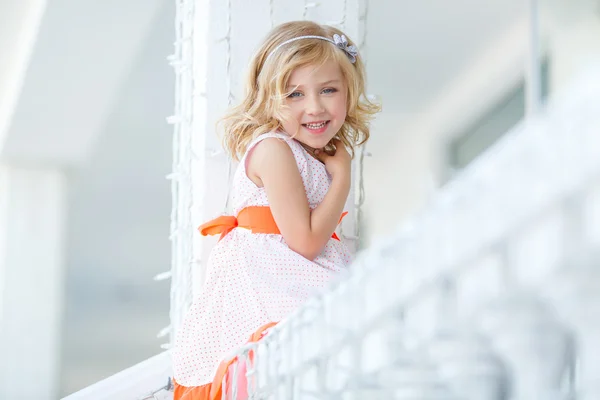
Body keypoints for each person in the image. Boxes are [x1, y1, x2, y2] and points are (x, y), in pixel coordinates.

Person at [171, 20, 380, 400]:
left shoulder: (303, 151)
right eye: (295, 94)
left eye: (328, 90)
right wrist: (343, 177)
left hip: (295, 272)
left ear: (348, 91)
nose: (314, 107)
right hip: (272, 281)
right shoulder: (274, 149)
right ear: (269, 99)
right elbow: (305, 241)